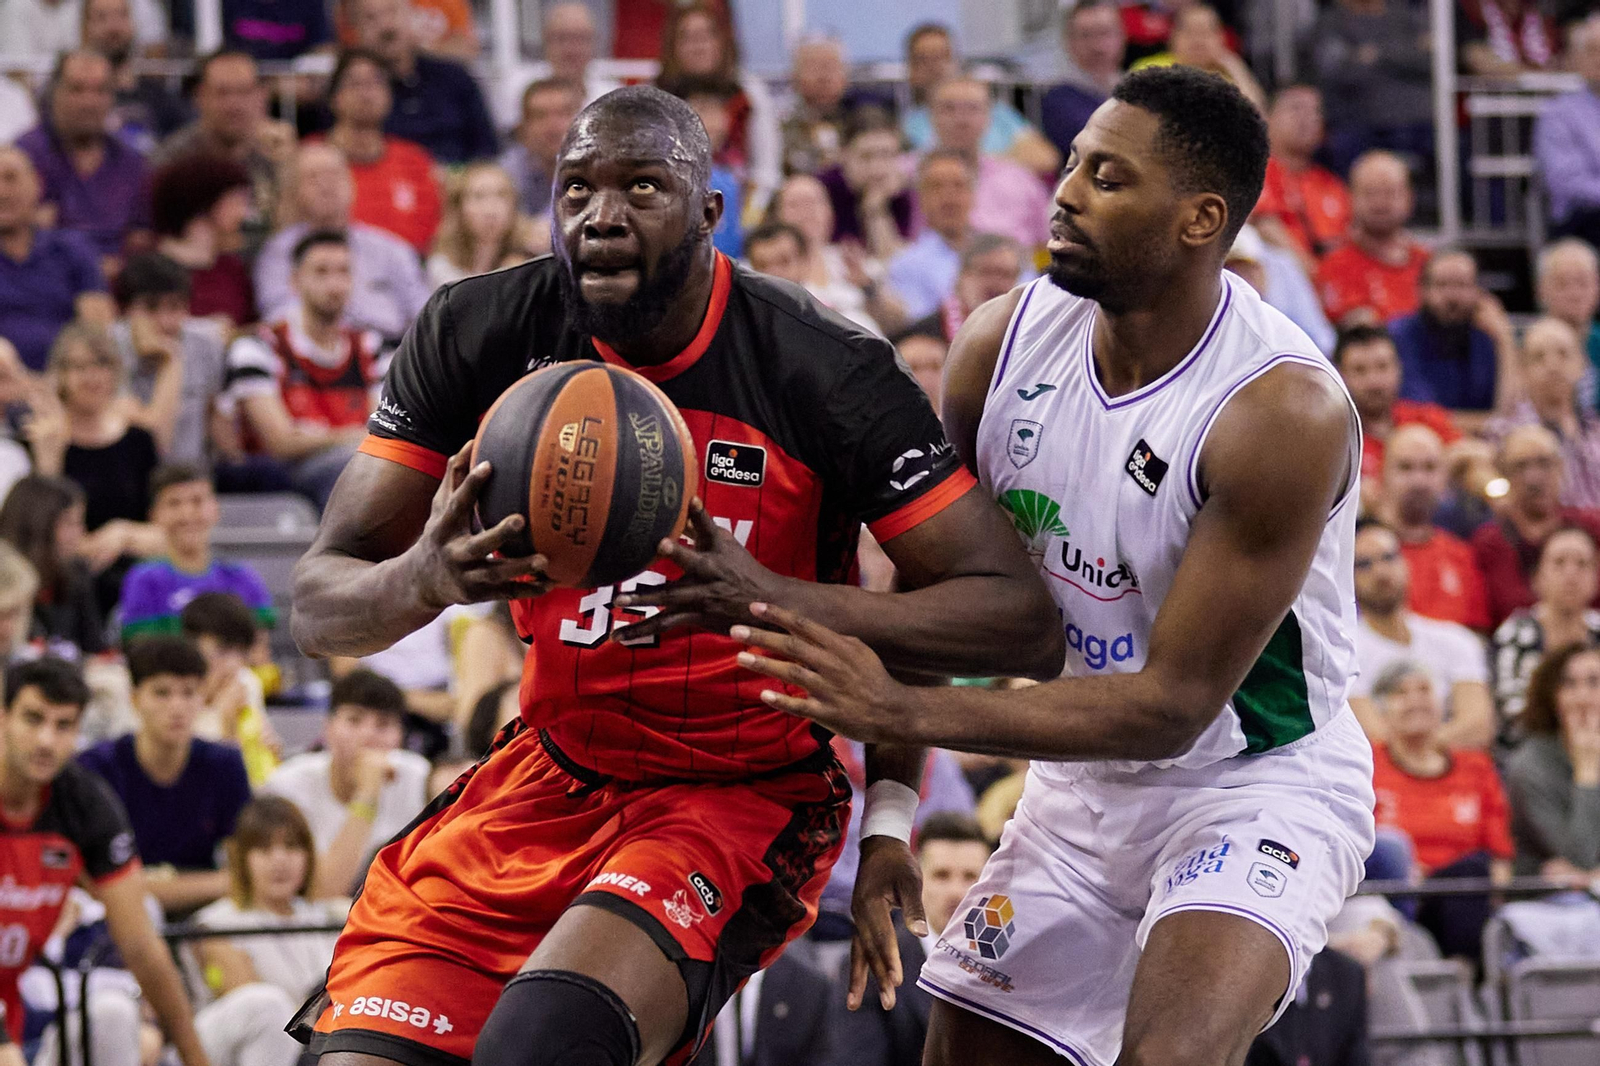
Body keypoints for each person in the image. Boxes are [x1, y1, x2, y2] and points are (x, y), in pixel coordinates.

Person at [286, 85, 1059, 1066]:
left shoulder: (825, 369)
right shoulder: (475, 331)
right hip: (550, 771)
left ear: (708, 210)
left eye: (640, 186)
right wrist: (427, 578)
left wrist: (880, 812)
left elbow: (1011, 618)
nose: (601, 215)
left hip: (742, 791)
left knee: (543, 1047)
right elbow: (320, 606)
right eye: (576, 188)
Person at [733, 67, 1378, 1066]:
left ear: (1199, 218)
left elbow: (1172, 703)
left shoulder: (1277, 411)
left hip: (1252, 778)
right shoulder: (997, 345)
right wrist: (890, 821)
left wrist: (899, 715)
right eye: (1072, 164)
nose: (1065, 193)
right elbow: (931, 598)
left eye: (1109, 179)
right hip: (1081, 789)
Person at [0, 655, 213, 1066]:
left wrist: (196, 1059)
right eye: (33, 719)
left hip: (15, 1013)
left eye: (63, 725)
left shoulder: (85, 803)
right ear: (2, 717)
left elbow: (141, 946)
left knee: (115, 1014)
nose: (47, 740)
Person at [79, 635, 252, 915]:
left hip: (204, 918)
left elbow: (246, 875)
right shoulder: (95, 768)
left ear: (203, 697)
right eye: (162, 693)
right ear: (135, 699)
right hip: (115, 917)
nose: (177, 707)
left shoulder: (226, 764)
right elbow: (89, 885)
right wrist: (217, 884)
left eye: (189, 692)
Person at [226, 230, 389, 509]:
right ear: (294, 282)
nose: (335, 284)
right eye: (321, 272)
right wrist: (353, 435)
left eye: (343, 272)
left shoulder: (373, 348)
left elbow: (384, 432)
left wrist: (315, 435)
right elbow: (280, 443)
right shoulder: (259, 347)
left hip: (360, 465)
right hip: (283, 479)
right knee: (354, 467)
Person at [1367, 660, 1513, 961]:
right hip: (1402, 899)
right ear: (1382, 711)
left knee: (1473, 873)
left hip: (1467, 897)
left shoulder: (1476, 767)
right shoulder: (1367, 766)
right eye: (1400, 693)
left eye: (1424, 690)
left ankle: (1464, 976)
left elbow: (1499, 857)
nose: (1415, 701)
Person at [827, 813, 992, 1066]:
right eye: (942, 875)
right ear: (915, 881)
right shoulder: (873, 967)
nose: (956, 892)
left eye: (970, 877)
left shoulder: (1013, 969)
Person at [27, 323, 167, 613]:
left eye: (102, 365)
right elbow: (34, 530)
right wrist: (48, 458)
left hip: (133, 569)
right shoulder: (39, 440)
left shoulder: (139, 440)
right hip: (65, 580)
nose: (92, 377)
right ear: (60, 377)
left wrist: (123, 532)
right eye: (79, 367)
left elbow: (166, 530)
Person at [191, 798, 336, 1066]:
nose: (279, 860)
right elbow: (252, 1006)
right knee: (267, 1005)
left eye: (292, 847)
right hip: (220, 1049)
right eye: (264, 849)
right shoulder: (214, 925)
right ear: (241, 858)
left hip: (315, 1046)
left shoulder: (327, 917)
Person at [262, 669, 430, 897]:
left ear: (400, 737)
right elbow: (322, 893)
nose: (368, 736)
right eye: (354, 720)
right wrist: (367, 794)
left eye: (383, 724)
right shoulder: (288, 785)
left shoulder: (419, 778)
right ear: (328, 728)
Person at [254, 143, 430, 340]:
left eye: (334, 175)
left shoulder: (391, 249)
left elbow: (424, 317)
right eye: (313, 177)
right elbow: (277, 314)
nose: (326, 185)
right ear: (295, 192)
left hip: (391, 352)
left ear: (352, 184)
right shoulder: (279, 252)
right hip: (313, 352)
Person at [1349, 519, 1493, 749]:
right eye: (1364, 564)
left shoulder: (1457, 640)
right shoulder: (1345, 651)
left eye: (1388, 557)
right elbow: (1371, 737)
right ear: (1347, 576)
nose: (1380, 571)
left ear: (1406, 563)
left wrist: (1414, 747)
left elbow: (1478, 727)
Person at [17, 50, 151, 267]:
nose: (88, 102)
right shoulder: (23, 158)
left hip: (120, 283)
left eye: (100, 91)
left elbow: (141, 239)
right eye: (76, 89)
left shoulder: (133, 164)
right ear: (54, 93)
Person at [155, 51, 293, 257]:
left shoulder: (277, 159)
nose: (234, 105)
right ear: (200, 97)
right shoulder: (173, 163)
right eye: (222, 93)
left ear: (261, 96)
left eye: (243, 92)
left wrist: (292, 164)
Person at [119, 465, 275, 640]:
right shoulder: (145, 580)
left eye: (197, 501)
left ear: (215, 509)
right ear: (154, 515)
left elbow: (258, 651)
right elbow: (143, 652)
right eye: (174, 503)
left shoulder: (241, 576)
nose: (187, 514)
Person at [656, 3, 781, 214]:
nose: (698, 46)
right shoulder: (655, 97)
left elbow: (766, 172)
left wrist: (748, 219)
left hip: (741, 210)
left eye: (706, 36)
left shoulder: (749, 95)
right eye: (687, 38)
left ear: (722, 42)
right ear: (672, 46)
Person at [1473, 424, 1600, 626]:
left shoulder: (1591, 527)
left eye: (1544, 463)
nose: (1533, 478)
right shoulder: (1490, 542)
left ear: (1561, 468)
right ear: (1503, 474)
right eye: (1521, 466)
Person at [0, 145, 113, 372]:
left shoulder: (73, 248)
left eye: (11, 178)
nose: (2, 192)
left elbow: (97, 331)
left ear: (37, 184)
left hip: (68, 386)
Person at [319, 48, 442, 258]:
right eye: (355, 83)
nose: (366, 93)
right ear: (334, 97)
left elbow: (434, 233)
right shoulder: (313, 159)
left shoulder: (415, 160)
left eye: (376, 83)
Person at [111, 252, 229, 466]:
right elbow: (152, 440)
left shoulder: (206, 344)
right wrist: (171, 359)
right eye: (150, 308)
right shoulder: (109, 348)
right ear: (125, 311)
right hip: (134, 475)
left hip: (194, 474)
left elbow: (215, 416)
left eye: (175, 307)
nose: (164, 322)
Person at [347, 0, 496, 165]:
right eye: (371, 18)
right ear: (356, 30)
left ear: (412, 17)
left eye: (392, 12)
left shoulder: (454, 78)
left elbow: (486, 149)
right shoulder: (351, 91)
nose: (386, 26)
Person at [899, 23, 1059, 176]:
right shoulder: (909, 126)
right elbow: (943, 168)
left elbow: (1045, 158)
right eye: (923, 59)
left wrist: (987, 164)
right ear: (911, 70)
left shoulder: (999, 112)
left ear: (957, 61)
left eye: (942, 56)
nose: (935, 66)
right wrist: (1010, 156)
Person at [1490, 526, 1600, 741]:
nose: (1571, 574)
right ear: (1537, 578)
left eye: (1582, 564)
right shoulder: (1516, 634)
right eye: (1559, 562)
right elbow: (1512, 711)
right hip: (1534, 748)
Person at [1376, 425, 1490, 632]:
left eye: (1429, 468)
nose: (1419, 481)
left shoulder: (1461, 555)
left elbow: (1477, 636)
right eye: (1405, 467)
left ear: (1444, 478)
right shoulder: (1362, 555)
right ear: (1383, 474)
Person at [1504, 642, 1600, 877]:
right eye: (1568, 684)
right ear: (1551, 696)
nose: (1583, 697)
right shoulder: (1529, 767)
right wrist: (1587, 772)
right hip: (1551, 903)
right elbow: (1580, 859)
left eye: (1594, 683)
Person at [1387, 249, 1516, 420]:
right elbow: (1422, 416)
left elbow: (1512, 411)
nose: (1452, 297)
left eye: (1462, 285)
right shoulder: (1399, 335)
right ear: (1422, 291)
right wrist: (1492, 424)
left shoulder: (1487, 335)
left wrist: (1505, 340)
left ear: (1479, 292)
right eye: (1442, 285)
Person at [1311, 0, 1436, 177]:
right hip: (1358, 121)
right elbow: (1340, 73)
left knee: (1452, 144)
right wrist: (1406, 54)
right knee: (1342, 144)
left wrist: (1376, 54)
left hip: (1415, 123)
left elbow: (1429, 62)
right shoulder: (1331, 22)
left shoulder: (1406, 17)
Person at [928, 77, 1053, 252]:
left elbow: (1044, 245)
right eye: (949, 108)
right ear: (931, 115)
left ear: (988, 117)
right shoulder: (906, 176)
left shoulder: (1021, 179)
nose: (961, 120)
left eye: (972, 109)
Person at [1486, 317, 1600, 509]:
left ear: (1581, 365)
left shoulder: (1595, 429)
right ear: (1523, 370)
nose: (1553, 365)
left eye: (1563, 354)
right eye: (1539, 357)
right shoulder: (1502, 433)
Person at [770, 173, 905, 336]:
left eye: (814, 202)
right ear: (777, 216)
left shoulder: (852, 259)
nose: (807, 212)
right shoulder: (765, 268)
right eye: (795, 205)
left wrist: (868, 288)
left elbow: (899, 323)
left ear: (830, 211)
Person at [1334, 325, 1461, 490]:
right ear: (1340, 375)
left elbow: (1467, 455)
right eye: (1360, 370)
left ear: (1399, 367)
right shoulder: (1336, 437)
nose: (1374, 382)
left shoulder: (1426, 419)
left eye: (1382, 367)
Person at [1315, 151, 1430, 326]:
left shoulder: (1428, 262)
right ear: (1350, 198)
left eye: (1390, 193)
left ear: (1409, 198)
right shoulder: (1335, 266)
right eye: (1370, 193)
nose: (1380, 203)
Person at [0, 476, 107, 655]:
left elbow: (96, 648)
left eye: (79, 522)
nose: (80, 533)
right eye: (69, 523)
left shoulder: (76, 575)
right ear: (38, 525)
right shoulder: (7, 579)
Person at [182, 592, 278, 786]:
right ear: (191, 647)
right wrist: (223, 718)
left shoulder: (246, 681)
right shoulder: (172, 693)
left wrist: (270, 750)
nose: (234, 664)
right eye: (222, 651)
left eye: (242, 652)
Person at [150, 155, 256, 329]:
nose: (245, 214)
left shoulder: (233, 270)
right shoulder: (149, 271)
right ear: (205, 204)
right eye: (238, 201)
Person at [1252, 85, 1351, 271]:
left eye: (1315, 111)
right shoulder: (1255, 172)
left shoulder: (1332, 184)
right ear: (1268, 118)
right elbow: (1265, 226)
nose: (1307, 118)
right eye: (1296, 108)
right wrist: (1315, 274)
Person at [83, 0, 190, 154]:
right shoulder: (71, 98)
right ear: (85, 28)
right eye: (102, 17)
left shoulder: (158, 96)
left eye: (122, 15)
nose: (113, 27)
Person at [886, 150, 976, 321]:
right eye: (936, 186)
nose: (949, 197)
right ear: (921, 198)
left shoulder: (1001, 252)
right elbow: (919, 324)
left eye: (958, 185)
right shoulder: (905, 264)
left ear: (973, 194)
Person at [1535, 17, 1600, 248]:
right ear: (1577, 60)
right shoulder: (1557, 113)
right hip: (1583, 220)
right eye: (1593, 51)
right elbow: (1565, 181)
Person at [817, 106, 913, 258]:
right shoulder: (823, 190)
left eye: (887, 155)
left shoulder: (901, 193)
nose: (877, 169)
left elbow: (894, 262)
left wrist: (876, 210)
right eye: (866, 157)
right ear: (844, 155)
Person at [898, 234, 1025, 348]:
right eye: (987, 271)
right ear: (962, 277)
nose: (997, 283)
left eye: (1006, 274)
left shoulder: (1026, 333)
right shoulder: (919, 337)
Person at [427, 163, 542, 288]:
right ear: (459, 207)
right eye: (479, 196)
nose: (491, 209)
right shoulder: (442, 266)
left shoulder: (532, 259)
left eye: (501, 195)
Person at [1129, 4, 1265, 110]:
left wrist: (1234, 66)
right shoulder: (1149, 69)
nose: (1198, 40)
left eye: (1205, 32)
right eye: (1189, 31)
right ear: (1172, 36)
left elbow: (1256, 117)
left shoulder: (1228, 75)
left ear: (1221, 38)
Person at [668, 77, 747, 260]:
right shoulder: (668, 174)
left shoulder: (734, 175)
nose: (711, 121)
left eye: (717, 111)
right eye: (703, 111)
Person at [1040, 0, 1126, 164]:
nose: (1097, 46)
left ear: (1122, 36)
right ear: (1069, 42)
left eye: (1105, 33)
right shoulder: (1059, 100)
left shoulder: (1139, 91)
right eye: (1086, 35)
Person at [498, 78, 584, 219]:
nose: (553, 126)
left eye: (563, 114)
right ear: (523, 127)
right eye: (540, 115)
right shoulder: (506, 173)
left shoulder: (602, 172)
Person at [1535, 238, 1600, 408]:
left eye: (1583, 283)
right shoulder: (1527, 347)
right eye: (1562, 284)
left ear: (1597, 287)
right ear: (1541, 290)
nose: (1574, 294)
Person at [780, 37, 852, 177]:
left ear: (846, 77)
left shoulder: (862, 120)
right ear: (793, 76)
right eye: (813, 66)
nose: (823, 77)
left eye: (831, 66)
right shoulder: (779, 125)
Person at [1459, 0, 1556, 77]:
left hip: (1541, 98)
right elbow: (1477, 59)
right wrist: (1536, 77)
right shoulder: (1475, 9)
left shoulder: (1537, 13)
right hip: (1490, 97)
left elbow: (1558, 62)